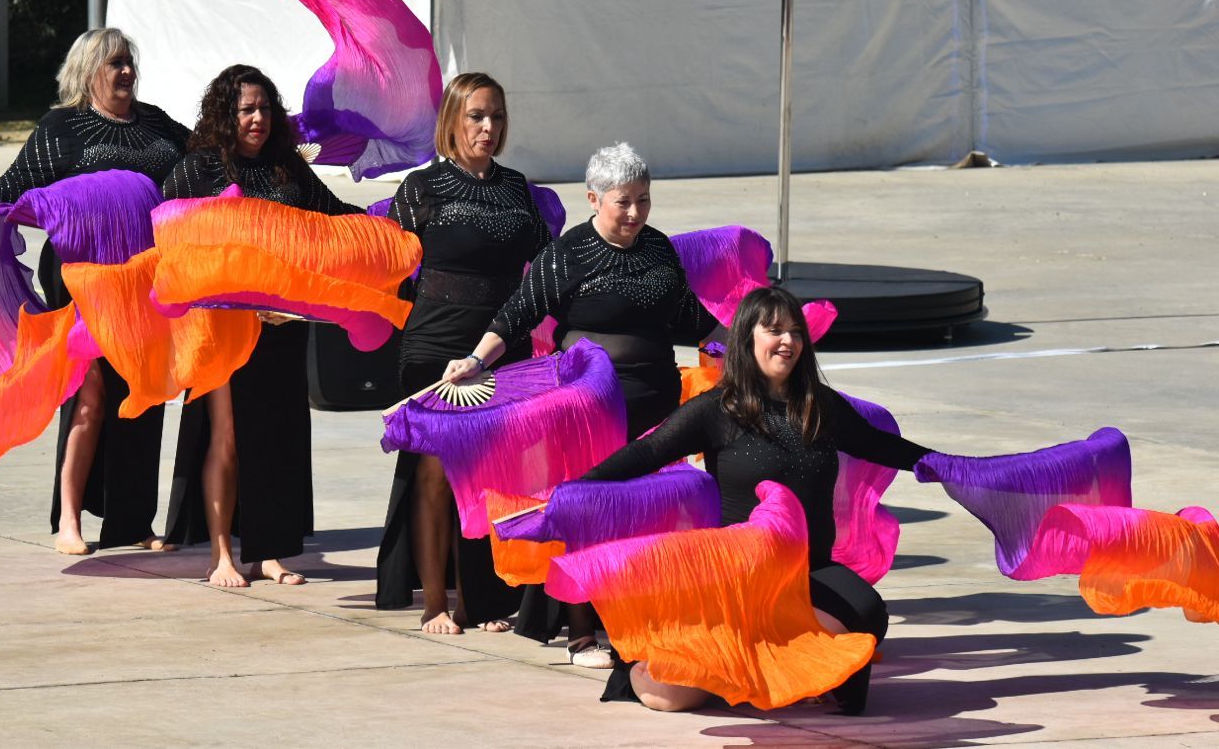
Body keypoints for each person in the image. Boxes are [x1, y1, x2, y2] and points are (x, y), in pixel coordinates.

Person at [580, 285, 935, 714]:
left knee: (867, 612)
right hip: (740, 578)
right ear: (748, 338)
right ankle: (653, 664)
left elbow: (884, 446)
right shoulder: (718, 409)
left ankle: (774, 656)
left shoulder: (819, 406)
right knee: (668, 696)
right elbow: (646, 453)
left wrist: (954, 466)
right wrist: (579, 488)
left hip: (810, 571)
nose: (788, 341)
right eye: (774, 330)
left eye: (795, 332)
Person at [443, 141, 720, 662]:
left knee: (647, 513)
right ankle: (582, 633)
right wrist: (475, 363)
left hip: (657, 410)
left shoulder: (658, 249)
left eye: (644, 199)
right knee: (591, 511)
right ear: (594, 199)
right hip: (590, 411)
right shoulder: (568, 254)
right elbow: (514, 317)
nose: (635, 212)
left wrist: (742, 350)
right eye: (623, 201)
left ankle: (639, 621)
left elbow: (695, 320)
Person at [0, 27, 189, 556]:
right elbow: (11, 186)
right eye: (116, 64)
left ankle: (133, 520)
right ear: (89, 72)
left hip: (144, 278)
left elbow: (203, 160)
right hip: (79, 276)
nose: (128, 73)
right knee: (88, 395)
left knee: (143, 393)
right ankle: (69, 520)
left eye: (130, 62)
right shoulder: (63, 128)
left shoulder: (156, 124)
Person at [162, 63, 362, 588]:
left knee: (279, 436)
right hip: (223, 326)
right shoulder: (200, 169)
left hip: (284, 323)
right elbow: (172, 239)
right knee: (227, 436)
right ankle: (221, 554)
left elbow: (333, 216)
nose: (258, 119)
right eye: (247, 109)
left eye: (265, 109)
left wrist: (389, 224)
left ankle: (269, 552)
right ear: (226, 114)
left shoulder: (286, 168)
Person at [375, 73, 551, 635]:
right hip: (436, 344)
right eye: (476, 116)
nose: (488, 127)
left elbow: (545, 273)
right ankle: (435, 603)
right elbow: (387, 268)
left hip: (504, 349)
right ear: (452, 119)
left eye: (496, 116)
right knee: (434, 471)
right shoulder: (422, 187)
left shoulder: (519, 188)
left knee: (493, 475)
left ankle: (484, 598)